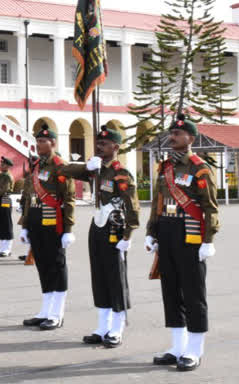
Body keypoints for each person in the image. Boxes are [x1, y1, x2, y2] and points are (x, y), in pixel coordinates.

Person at [146, 114, 219, 372]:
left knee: (193, 293)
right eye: (171, 133)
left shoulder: (200, 168)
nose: (172, 137)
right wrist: (151, 231)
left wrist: (208, 240)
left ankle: (195, 350)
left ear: (191, 138)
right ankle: (177, 347)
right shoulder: (165, 168)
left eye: (177, 134)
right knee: (171, 291)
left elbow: (210, 208)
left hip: (190, 236)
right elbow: (157, 203)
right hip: (166, 232)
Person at [59, 126, 140, 348]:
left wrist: (128, 235)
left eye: (104, 144)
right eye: (98, 143)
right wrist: (86, 166)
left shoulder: (121, 174)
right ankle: (102, 325)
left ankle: (117, 327)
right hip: (97, 226)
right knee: (99, 276)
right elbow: (65, 171)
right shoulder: (95, 170)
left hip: (114, 228)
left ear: (115, 146)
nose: (99, 146)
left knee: (116, 278)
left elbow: (132, 207)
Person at [19, 124, 76, 330]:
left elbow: (69, 199)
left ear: (53, 143)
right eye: (37, 141)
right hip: (35, 223)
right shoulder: (36, 166)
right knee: (42, 266)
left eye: (42, 141)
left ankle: (57, 313)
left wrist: (68, 230)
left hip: (54, 224)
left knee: (57, 268)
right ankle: (45, 310)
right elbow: (28, 198)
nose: (38, 145)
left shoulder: (60, 165)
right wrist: (25, 225)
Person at [0, 156, 15, 258]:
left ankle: (7, 249)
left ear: (8, 166)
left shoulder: (7, 176)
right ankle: (2, 248)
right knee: (0, 223)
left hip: (5, 199)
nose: (1, 166)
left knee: (6, 224)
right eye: (1, 164)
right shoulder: (1, 175)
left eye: (3, 164)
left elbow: (4, 189)